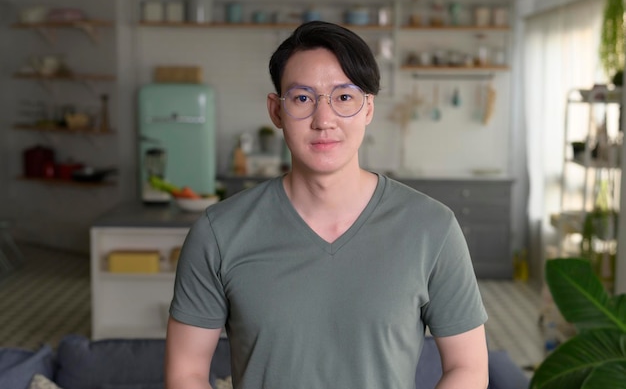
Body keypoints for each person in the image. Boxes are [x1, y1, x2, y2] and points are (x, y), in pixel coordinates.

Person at [165, 20, 489, 389]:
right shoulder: (218, 232)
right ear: (276, 111)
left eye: (344, 97)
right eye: (303, 98)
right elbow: (185, 372)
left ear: (368, 108)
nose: (324, 120)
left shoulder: (432, 227)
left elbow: (468, 367)